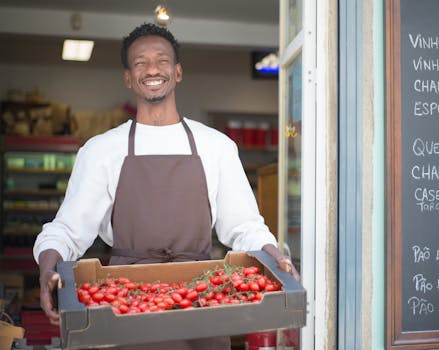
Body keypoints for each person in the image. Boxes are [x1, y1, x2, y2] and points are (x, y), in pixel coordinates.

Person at [33, 22, 299, 349]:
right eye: (140, 62)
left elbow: (244, 226)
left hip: (203, 298)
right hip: (126, 304)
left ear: (178, 72)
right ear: (128, 78)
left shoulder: (216, 146)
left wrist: (275, 258)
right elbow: (67, 231)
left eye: (161, 60)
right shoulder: (101, 150)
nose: (152, 69)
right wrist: (48, 270)